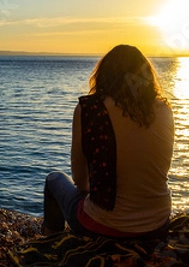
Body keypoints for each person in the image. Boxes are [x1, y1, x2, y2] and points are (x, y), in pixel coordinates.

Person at [43, 44, 174, 239]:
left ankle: (49, 244)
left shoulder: (89, 110)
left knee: (54, 179)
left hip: (105, 226)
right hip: (159, 223)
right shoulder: (164, 108)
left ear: (104, 74)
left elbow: (81, 182)